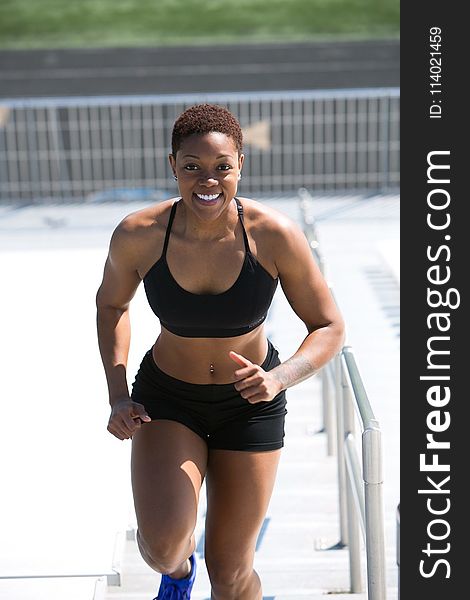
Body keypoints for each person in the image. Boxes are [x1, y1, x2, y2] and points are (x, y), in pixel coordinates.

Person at [96, 103, 345, 600]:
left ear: (240, 165)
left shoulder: (274, 235)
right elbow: (111, 306)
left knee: (230, 571)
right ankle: (178, 575)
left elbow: (329, 326)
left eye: (221, 167)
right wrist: (119, 395)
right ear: (172, 166)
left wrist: (281, 377)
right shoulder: (138, 235)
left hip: (250, 407)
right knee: (162, 548)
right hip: (168, 400)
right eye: (192, 167)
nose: (207, 181)